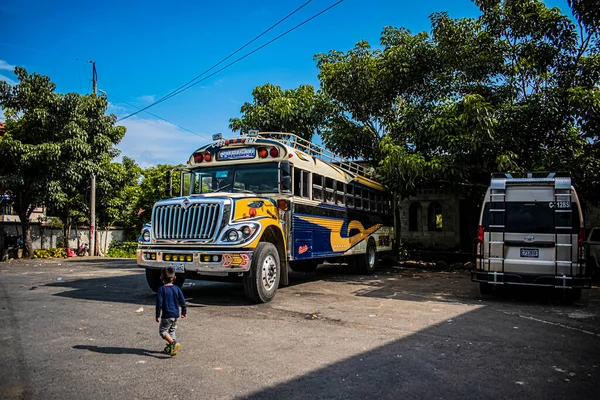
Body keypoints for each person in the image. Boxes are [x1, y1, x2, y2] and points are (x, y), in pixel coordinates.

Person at [155, 267, 187, 356]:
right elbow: (182, 301)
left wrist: (157, 315)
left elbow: (159, 304)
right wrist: (184, 312)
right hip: (176, 315)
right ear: (174, 278)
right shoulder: (177, 288)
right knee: (172, 331)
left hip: (167, 315)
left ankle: (173, 343)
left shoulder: (161, 289)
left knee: (163, 331)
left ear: (161, 278)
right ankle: (172, 349)